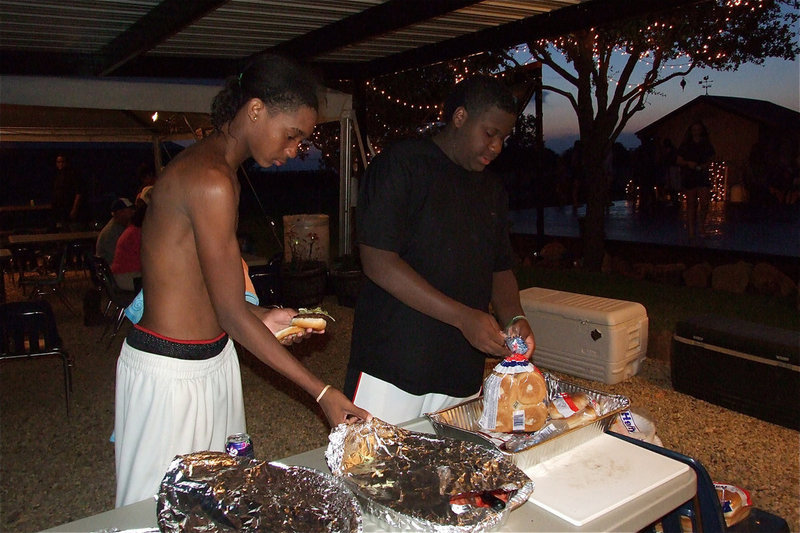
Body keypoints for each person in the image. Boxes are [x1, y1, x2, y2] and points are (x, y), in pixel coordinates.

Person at [114, 54, 370, 507]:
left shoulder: (222, 174)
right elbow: (231, 313)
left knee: (214, 504)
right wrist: (322, 392)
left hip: (212, 361)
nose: (295, 150)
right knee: (154, 511)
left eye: (302, 141)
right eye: (292, 135)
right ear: (255, 110)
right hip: (171, 373)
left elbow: (214, 294)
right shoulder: (209, 179)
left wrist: (262, 315)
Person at [343, 75, 535, 425]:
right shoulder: (401, 165)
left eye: (503, 138)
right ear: (460, 117)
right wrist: (463, 317)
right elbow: (378, 262)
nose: (496, 147)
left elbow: (500, 268)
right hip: (393, 366)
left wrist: (514, 317)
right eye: (490, 133)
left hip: (460, 372)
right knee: (370, 472)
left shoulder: (491, 191)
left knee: (447, 476)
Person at [676, 121, 715, 239]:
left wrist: (705, 165)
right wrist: (688, 163)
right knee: (691, 204)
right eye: (694, 130)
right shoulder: (685, 145)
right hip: (690, 175)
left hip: (702, 175)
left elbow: (711, 158)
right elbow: (678, 160)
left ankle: (702, 227)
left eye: (698, 129)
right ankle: (692, 232)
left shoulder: (706, 144)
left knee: (704, 203)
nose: (696, 132)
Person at [111, 197, 147, 291]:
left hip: (122, 275)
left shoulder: (131, 230)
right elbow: (146, 258)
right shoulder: (136, 233)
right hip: (128, 277)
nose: (132, 212)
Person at [96, 198, 135, 265]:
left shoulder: (120, 226)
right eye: (130, 210)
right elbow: (117, 257)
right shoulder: (111, 232)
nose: (133, 212)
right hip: (113, 270)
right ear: (120, 212)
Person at [51, 154, 84, 230]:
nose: (60, 164)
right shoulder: (57, 175)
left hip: (68, 207)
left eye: (62, 162)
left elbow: (78, 192)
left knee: (70, 228)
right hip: (59, 208)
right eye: (58, 162)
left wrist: (74, 208)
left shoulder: (72, 174)